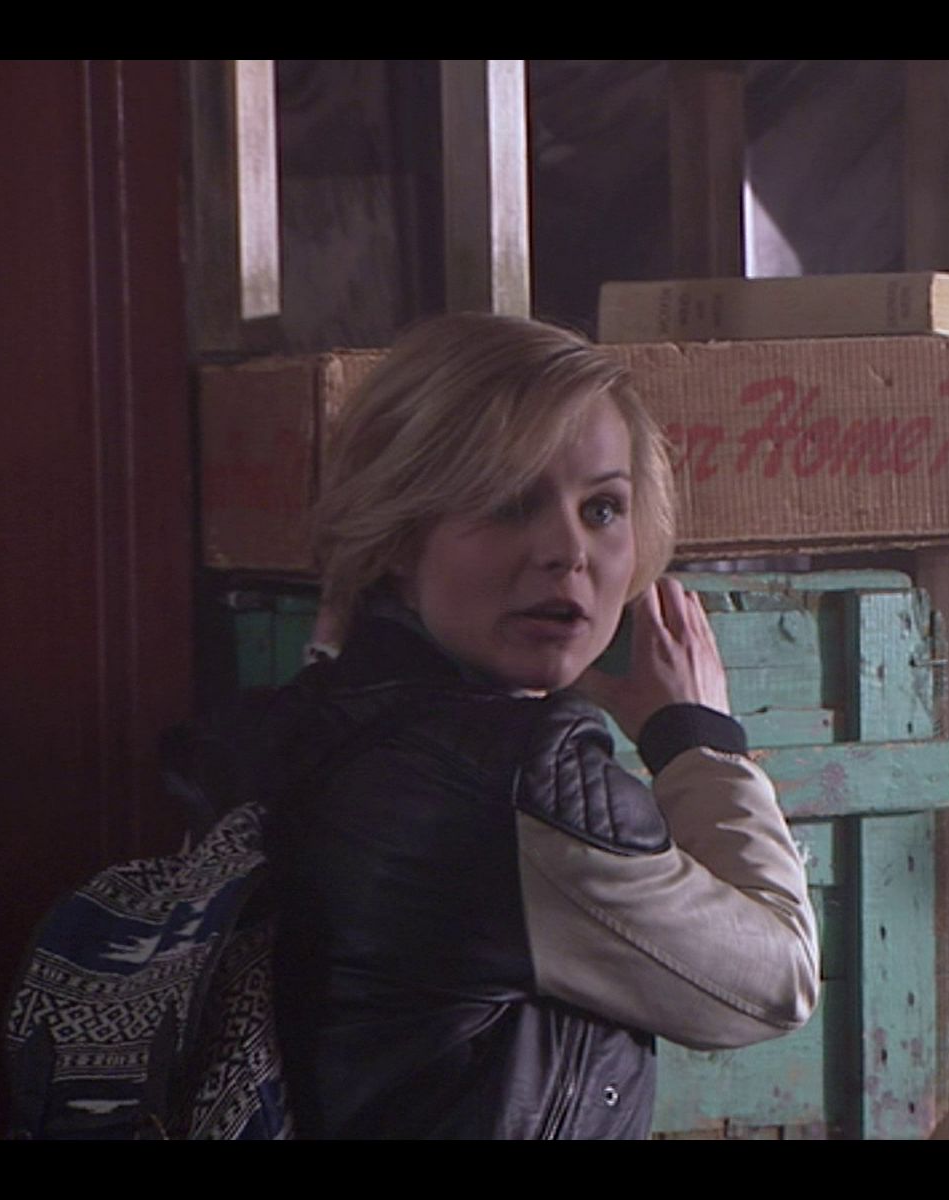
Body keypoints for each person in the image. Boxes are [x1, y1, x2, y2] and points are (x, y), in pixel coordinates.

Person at [258, 312, 819, 1139]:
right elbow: (776, 982)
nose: (567, 551)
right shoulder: (512, 782)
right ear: (400, 533)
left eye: (603, 508)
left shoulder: (326, 711)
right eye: (509, 501)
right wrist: (698, 741)